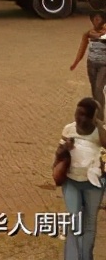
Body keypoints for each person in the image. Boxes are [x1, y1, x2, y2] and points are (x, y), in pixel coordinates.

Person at [55, 97, 106, 260]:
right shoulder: (69, 129)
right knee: (74, 220)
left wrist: (99, 123)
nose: (80, 118)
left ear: (93, 117)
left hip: (94, 184)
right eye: (78, 114)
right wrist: (64, 149)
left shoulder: (100, 132)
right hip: (71, 182)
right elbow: (58, 155)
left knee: (90, 223)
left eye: (85, 115)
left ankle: (86, 257)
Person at [71, 11, 106, 113]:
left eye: (98, 19)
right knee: (94, 90)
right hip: (91, 64)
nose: (96, 21)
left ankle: (100, 116)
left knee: (99, 88)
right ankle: (96, 112)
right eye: (94, 19)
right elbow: (82, 49)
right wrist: (76, 62)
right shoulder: (88, 34)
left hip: (104, 65)